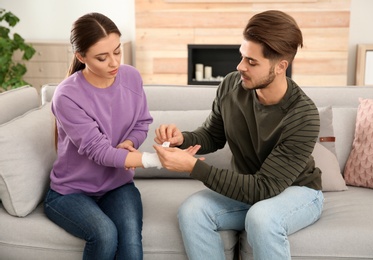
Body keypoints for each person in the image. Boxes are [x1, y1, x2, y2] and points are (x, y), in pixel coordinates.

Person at [154, 10, 324, 260]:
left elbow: (266, 187)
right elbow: (213, 135)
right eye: (242, 56)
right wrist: (183, 139)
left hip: (297, 191)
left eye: (252, 62)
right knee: (192, 210)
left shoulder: (303, 115)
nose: (240, 66)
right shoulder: (232, 85)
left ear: (280, 67)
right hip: (250, 186)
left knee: (262, 217)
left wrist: (194, 168)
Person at [44, 12, 153, 260]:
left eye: (117, 51)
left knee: (131, 247)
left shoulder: (131, 77)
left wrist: (130, 142)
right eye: (102, 58)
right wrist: (156, 160)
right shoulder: (67, 96)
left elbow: (142, 122)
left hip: (117, 185)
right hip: (70, 193)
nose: (114, 63)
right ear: (81, 57)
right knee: (104, 234)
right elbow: (100, 152)